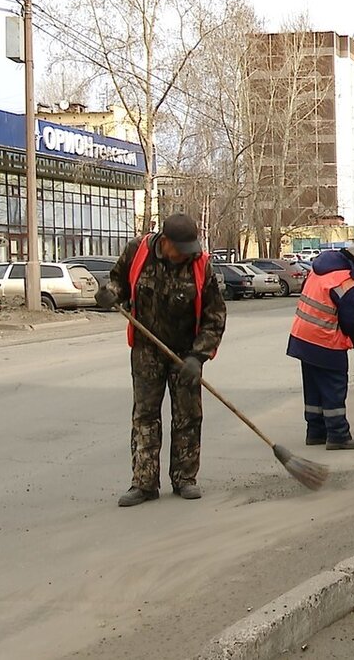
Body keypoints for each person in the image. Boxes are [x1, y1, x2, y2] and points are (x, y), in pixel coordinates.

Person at [95, 214, 227, 507]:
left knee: (188, 416)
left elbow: (215, 316)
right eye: (180, 249)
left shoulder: (201, 264)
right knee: (145, 416)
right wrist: (110, 294)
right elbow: (118, 282)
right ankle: (144, 483)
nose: (185, 254)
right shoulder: (137, 251)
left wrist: (199, 355)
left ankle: (185, 478)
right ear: (165, 242)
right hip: (146, 350)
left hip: (185, 352)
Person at [287, 235, 354, 450]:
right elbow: (350, 318)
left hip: (303, 336)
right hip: (325, 339)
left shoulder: (321, 269)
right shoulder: (348, 280)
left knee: (314, 387)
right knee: (334, 386)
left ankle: (315, 432)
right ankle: (338, 435)